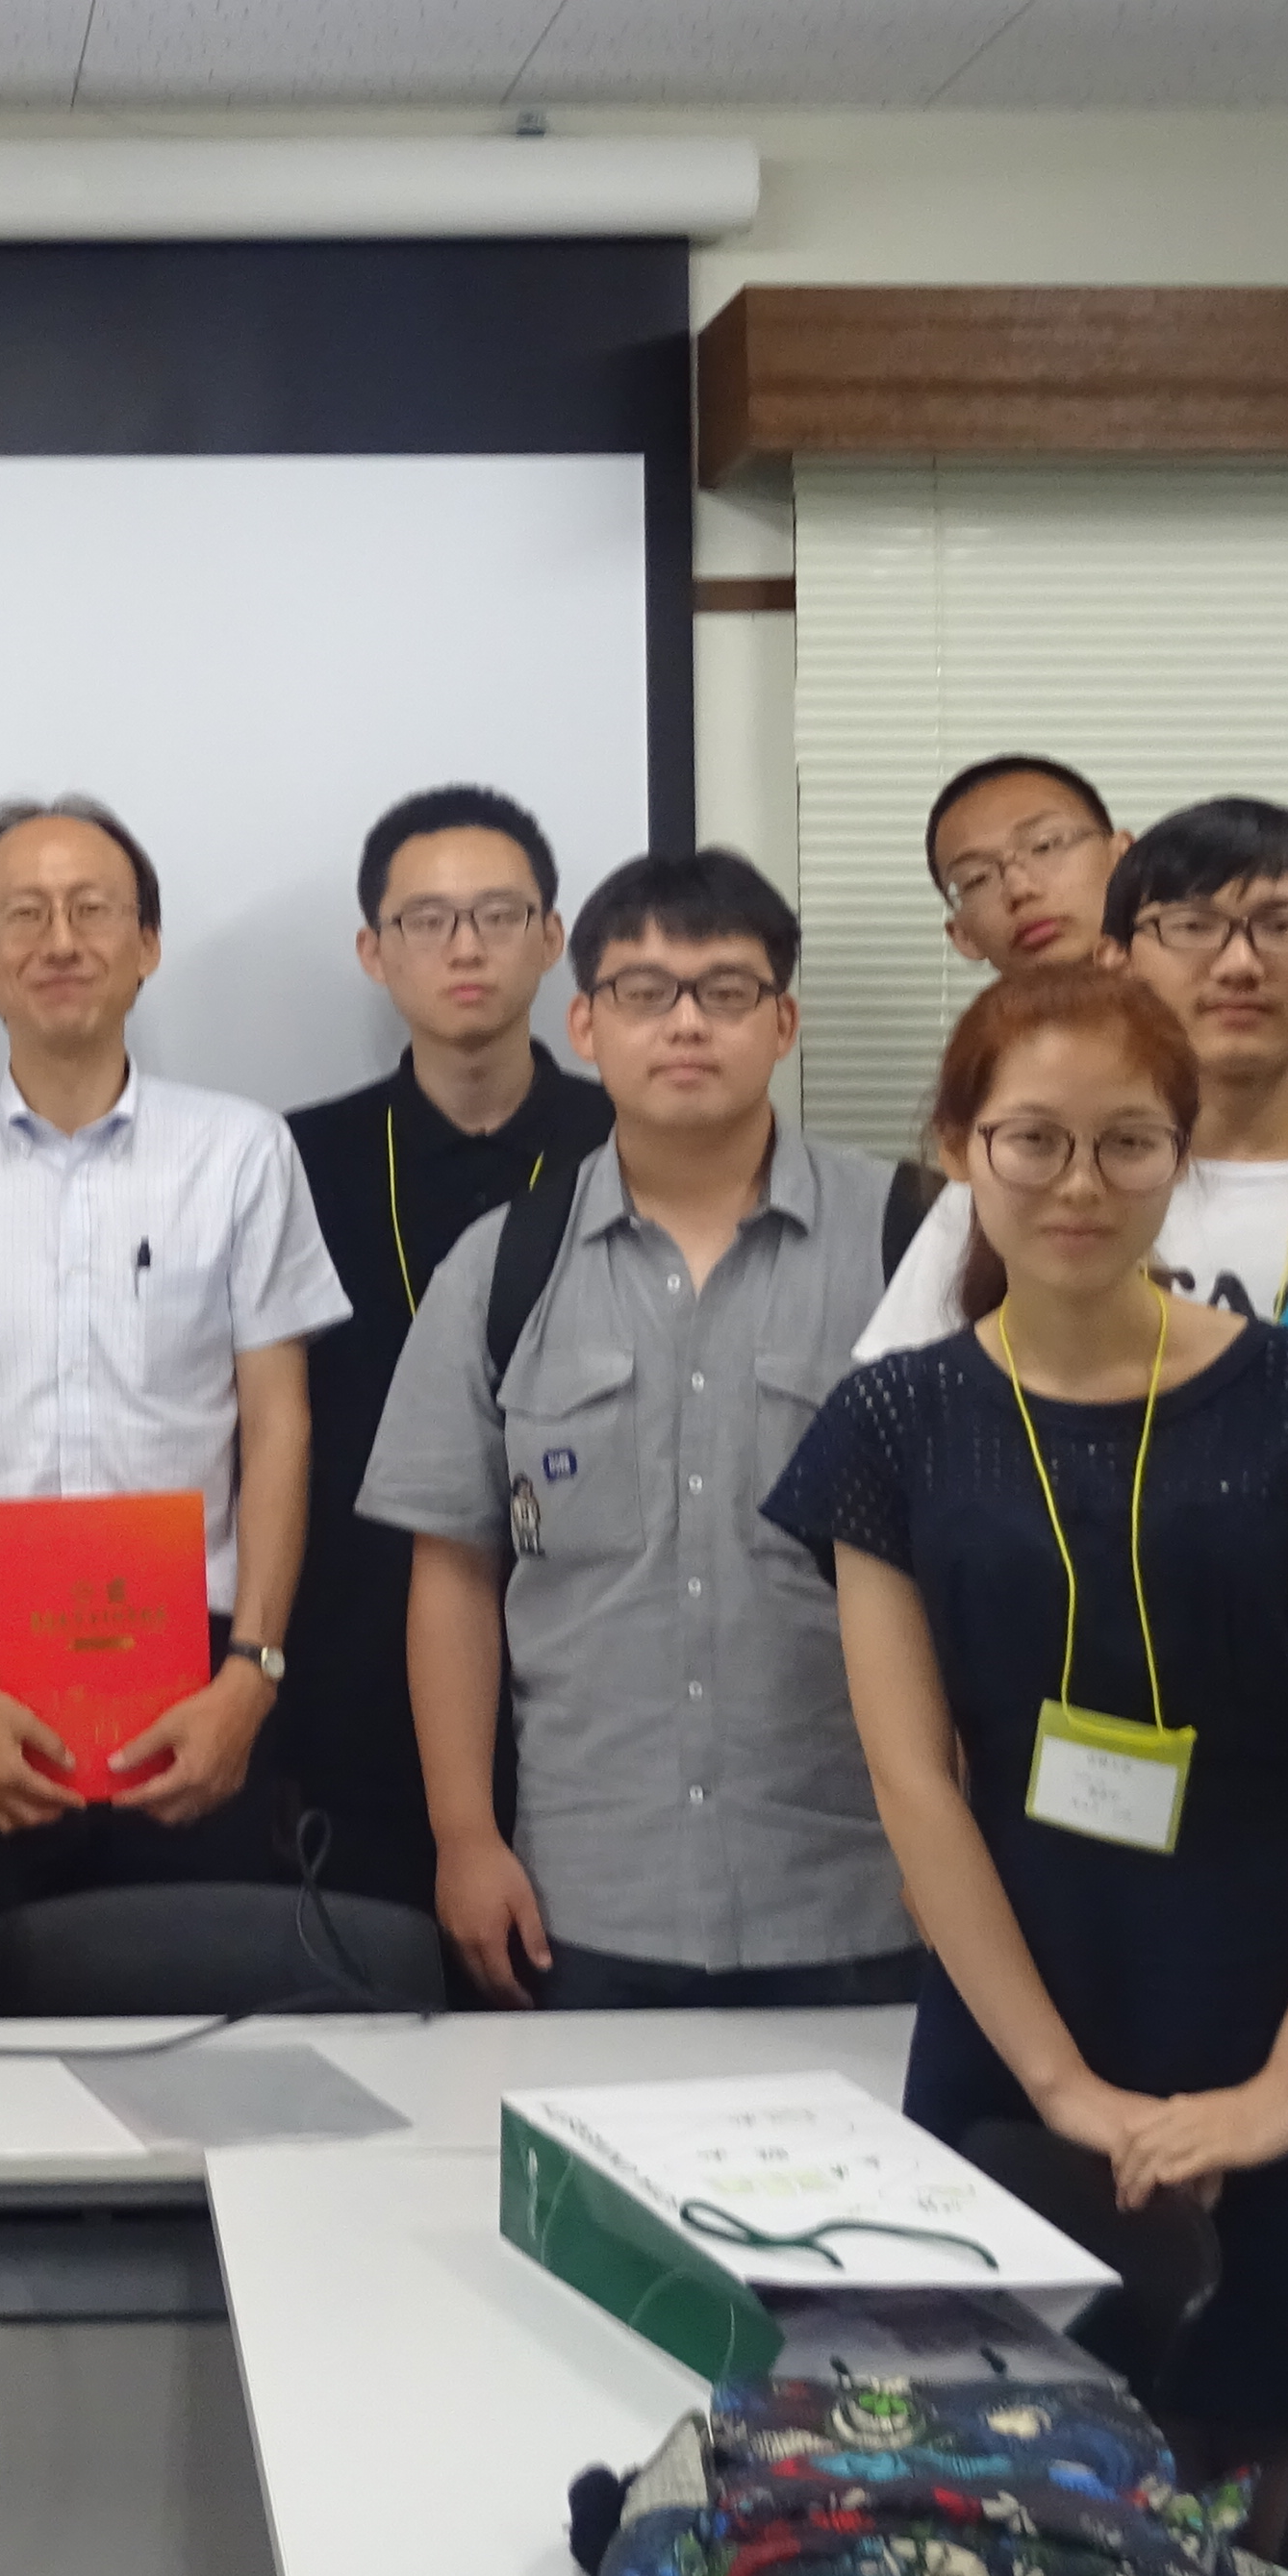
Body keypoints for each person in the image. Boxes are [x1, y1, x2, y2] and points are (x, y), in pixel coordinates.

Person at [762, 962, 1288, 2531]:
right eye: (1031, 1139)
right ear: (958, 1148)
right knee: (1001, 2505)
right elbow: (914, 1782)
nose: (1077, 1183)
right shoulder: (891, 1424)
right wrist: (1065, 2088)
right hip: (1028, 2001)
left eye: (1126, 1142)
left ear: (1180, 1152)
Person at [355, 849, 910, 2008]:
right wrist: (464, 1837)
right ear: (587, 1024)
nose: (687, 1024)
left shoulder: (914, 1243)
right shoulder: (501, 1267)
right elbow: (454, 1574)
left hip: (873, 1888)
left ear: (784, 1021)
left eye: (727, 990)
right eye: (645, 992)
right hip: (587, 1898)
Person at [0, 796, 354, 2013]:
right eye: (23, 915)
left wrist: (253, 1674)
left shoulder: (241, 1153)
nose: (60, 940)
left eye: (93, 909)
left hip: (198, 1664)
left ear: (147, 943)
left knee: (200, 2037)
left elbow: (279, 1424)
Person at [281, 785, 612, 1909]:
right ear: (374, 951)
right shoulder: (293, 1162)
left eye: (499, 915)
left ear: (553, 939)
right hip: (350, 1670)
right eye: (426, 920)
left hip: (592, 1661)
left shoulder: (629, 1146)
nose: (465, 948)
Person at [863, 795, 1288, 1351]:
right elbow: (897, 1407)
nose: (1240, 965)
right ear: (1117, 962)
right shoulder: (1017, 1184)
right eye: (1192, 927)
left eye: (1281, 927)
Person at [926, 751, 1288, 1139]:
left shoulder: (1250, 1015)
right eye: (977, 878)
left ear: (1122, 854)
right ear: (962, 936)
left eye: (1046, 845)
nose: (1019, 888)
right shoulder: (991, 1059)